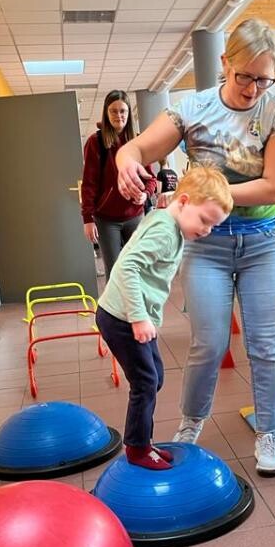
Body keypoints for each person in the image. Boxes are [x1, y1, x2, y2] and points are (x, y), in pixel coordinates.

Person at [114, 18, 275, 476]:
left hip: (263, 242)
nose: (253, 89)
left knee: (265, 344)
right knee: (208, 343)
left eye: (264, 79)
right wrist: (125, 160)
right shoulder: (193, 108)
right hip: (206, 245)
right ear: (224, 63)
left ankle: (268, 432)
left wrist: (206, 196)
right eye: (244, 76)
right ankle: (191, 422)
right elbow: (137, 148)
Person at [96, 167, 232, 471]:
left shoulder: (167, 222)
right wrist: (139, 318)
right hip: (121, 317)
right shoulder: (165, 231)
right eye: (205, 220)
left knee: (154, 376)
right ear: (183, 202)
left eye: (213, 225)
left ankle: (142, 440)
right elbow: (127, 267)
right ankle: (137, 448)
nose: (207, 230)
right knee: (145, 381)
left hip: (127, 315)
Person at [80, 90, 156, 277]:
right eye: (113, 111)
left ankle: (136, 298)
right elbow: (89, 184)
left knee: (137, 268)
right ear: (106, 113)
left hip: (134, 215)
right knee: (115, 271)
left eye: (122, 111)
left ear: (128, 113)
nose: (118, 115)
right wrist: (88, 218)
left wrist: (145, 194)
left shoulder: (138, 141)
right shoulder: (95, 142)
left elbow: (151, 178)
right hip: (106, 220)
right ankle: (114, 299)